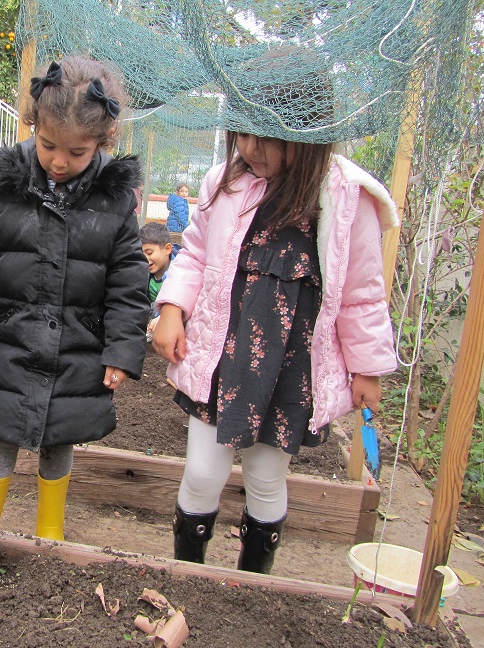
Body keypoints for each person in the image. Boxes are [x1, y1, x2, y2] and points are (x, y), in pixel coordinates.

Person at [152, 100, 399, 573]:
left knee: (266, 480)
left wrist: (367, 367)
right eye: (243, 134)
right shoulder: (224, 181)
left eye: (267, 137)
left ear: (307, 134)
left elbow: (361, 293)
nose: (251, 148)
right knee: (202, 473)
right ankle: (190, 575)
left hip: (289, 370)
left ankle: (253, 585)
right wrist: (171, 308)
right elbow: (197, 254)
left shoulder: (346, 197)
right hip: (223, 360)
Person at [0, 56, 149, 541]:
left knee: (61, 437)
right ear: (33, 125)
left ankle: (50, 533)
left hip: (77, 347)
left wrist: (122, 349)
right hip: (9, 341)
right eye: (48, 145)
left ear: (104, 141)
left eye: (77, 152)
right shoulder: (5, 184)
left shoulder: (115, 198)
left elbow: (129, 279)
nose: (59, 161)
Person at [140, 222, 174, 340]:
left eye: (149, 253)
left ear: (167, 249)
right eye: (141, 253)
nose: (145, 258)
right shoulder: (143, 272)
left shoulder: (178, 274)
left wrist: (163, 316)